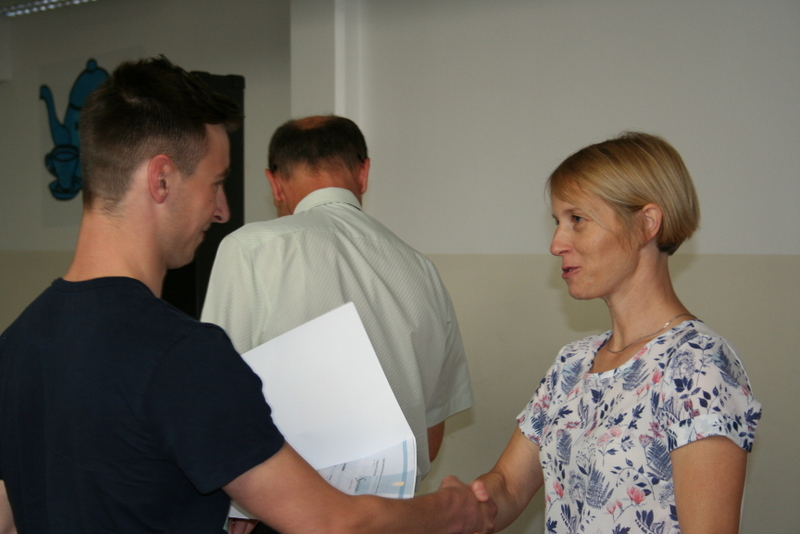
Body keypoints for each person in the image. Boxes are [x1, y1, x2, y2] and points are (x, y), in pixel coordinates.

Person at [0, 57, 495, 534]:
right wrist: (452, 511)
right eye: (216, 183)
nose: (222, 210)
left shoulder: (16, 344)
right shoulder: (183, 357)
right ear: (161, 179)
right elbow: (330, 522)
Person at [470, 132, 762, 533]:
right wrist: (458, 505)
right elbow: (507, 487)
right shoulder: (573, 364)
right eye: (558, 222)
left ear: (646, 224)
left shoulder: (696, 365)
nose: (556, 244)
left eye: (577, 220)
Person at [201, 115, 475, 482]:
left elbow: (215, 404)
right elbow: (431, 434)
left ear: (275, 184)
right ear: (364, 173)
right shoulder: (421, 269)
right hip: (394, 504)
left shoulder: (248, 249)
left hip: (280, 503)